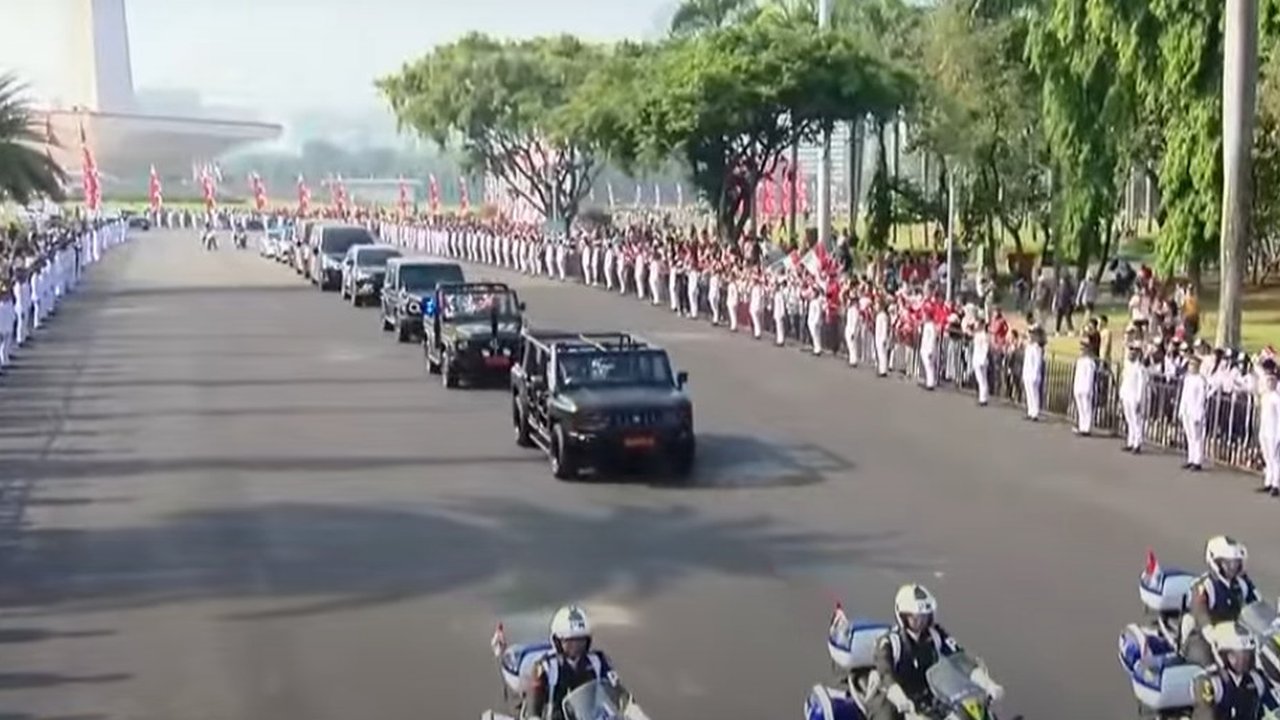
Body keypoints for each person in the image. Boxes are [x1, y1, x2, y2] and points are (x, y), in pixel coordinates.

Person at [867, 584, 1004, 720]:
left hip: (928, 694)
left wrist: (988, 684)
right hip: (894, 696)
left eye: (924, 617)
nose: (921, 622)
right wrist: (899, 698)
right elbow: (885, 673)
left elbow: (961, 659)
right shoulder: (890, 642)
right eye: (915, 618)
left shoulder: (935, 634)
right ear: (903, 617)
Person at [524, 605, 615, 720]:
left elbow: (614, 690)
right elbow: (534, 700)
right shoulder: (546, 666)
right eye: (570, 641)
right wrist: (534, 717)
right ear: (557, 641)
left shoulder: (597, 661)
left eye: (580, 640)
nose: (576, 645)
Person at [1181, 536, 1260, 667]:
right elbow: (1199, 609)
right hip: (1203, 636)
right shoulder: (1205, 585)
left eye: (1236, 563)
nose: (1233, 567)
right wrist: (1208, 629)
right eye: (1228, 563)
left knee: (1253, 659)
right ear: (1215, 562)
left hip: (1233, 636)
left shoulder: (1242, 583)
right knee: (1209, 664)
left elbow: (1257, 603)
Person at [1191, 623, 1268, 720]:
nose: (1245, 660)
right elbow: (1205, 716)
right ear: (1224, 654)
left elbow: (1272, 708)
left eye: (1247, 654)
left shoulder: (1257, 680)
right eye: (1239, 654)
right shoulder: (1209, 682)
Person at [1179, 354, 1210, 471]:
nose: (1190, 367)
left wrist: (1198, 415)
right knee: (1189, 436)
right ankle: (1191, 458)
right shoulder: (1187, 378)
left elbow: (1201, 399)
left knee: (1197, 438)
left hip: (1195, 412)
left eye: (1193, 365)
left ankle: (1197, 461)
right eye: (1190, 364)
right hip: (1187, 411)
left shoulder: (1200, 380)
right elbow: (1184, 396)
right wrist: (1181, 410)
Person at [1119, 343, 1149, 453]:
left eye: (1133, 352)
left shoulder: (1140, 369)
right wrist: (1121, 395)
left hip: (1134, 397)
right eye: (1130, 351)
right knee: (1129, 420)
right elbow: (1124, 381)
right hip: (1126, 395)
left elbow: (1141, 386)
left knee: (1137, 421)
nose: (1131, 354)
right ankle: (1130, 441)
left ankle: (1137, 443)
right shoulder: (1127, 366)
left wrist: (1138, 400)